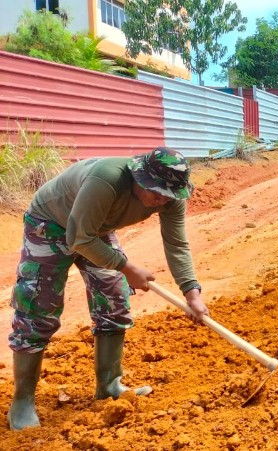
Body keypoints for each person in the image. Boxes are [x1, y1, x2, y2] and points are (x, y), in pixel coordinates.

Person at [7, 147, 209, 430]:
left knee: (113, 298)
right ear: (139, 176)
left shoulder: (171, 195)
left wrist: (192, 293)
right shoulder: (107, 179)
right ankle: (23, 401)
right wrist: (127, 268)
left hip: (94, 228)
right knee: (38, 307)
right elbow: (78, 238)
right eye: (154, 192)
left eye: (168, 194)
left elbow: (176, 244)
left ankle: (110, 385)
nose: (160, 200)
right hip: (50, 224)